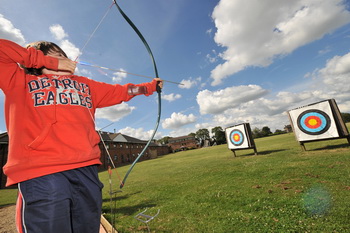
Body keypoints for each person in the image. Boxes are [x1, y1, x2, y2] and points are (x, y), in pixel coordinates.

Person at [0, 39, 163, 233]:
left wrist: (149, 87)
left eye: (63, 55)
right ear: (35, 61)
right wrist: (48, 62)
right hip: (41, 170)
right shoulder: (19, 81)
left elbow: (120, 91)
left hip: (86, 169)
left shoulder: (85, 85)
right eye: (54, 55)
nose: (63, 59)